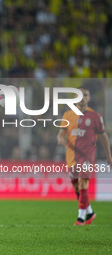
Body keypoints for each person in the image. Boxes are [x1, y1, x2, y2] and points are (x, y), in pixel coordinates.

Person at [57, 87, 112, 225]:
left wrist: (109, 156)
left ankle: (80, 217)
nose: (82, 98)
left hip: (87, 155)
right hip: (71, 155)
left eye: (85, 95)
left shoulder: (95, 117)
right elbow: (61, 132)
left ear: (89, 98)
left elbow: (103, 136)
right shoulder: (68, 115)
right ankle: (90, 212)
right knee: (77, 187)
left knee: (83, 183)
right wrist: (60, 137)